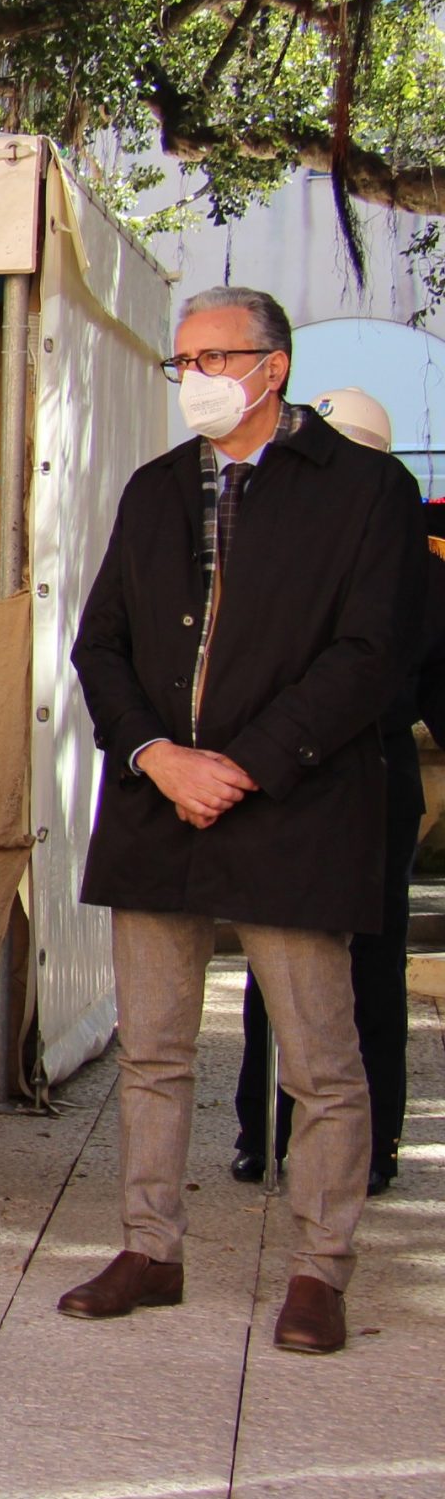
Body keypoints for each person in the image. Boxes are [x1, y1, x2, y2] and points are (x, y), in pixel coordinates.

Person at [65, 290, 423, 1353]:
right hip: (157, 805)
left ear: (272, 366)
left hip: (294, 806)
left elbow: (372, 654)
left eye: (212, 356)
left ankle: (320, 1267)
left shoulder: (365, 489)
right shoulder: (155, 488)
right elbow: (103, 645)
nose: (193, 377)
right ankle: (149, 1245)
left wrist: (247, 764)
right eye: (181, 361)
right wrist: (155, 754)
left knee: (320, 1058)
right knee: (154, 1050)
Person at [230, 389, 445, 1197]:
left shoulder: (423, 570)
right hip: (278, 776)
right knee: (271, 959)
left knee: (372, 963)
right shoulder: (269, 550)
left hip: (374, 780)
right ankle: (263, 1129)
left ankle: (371, 1142)